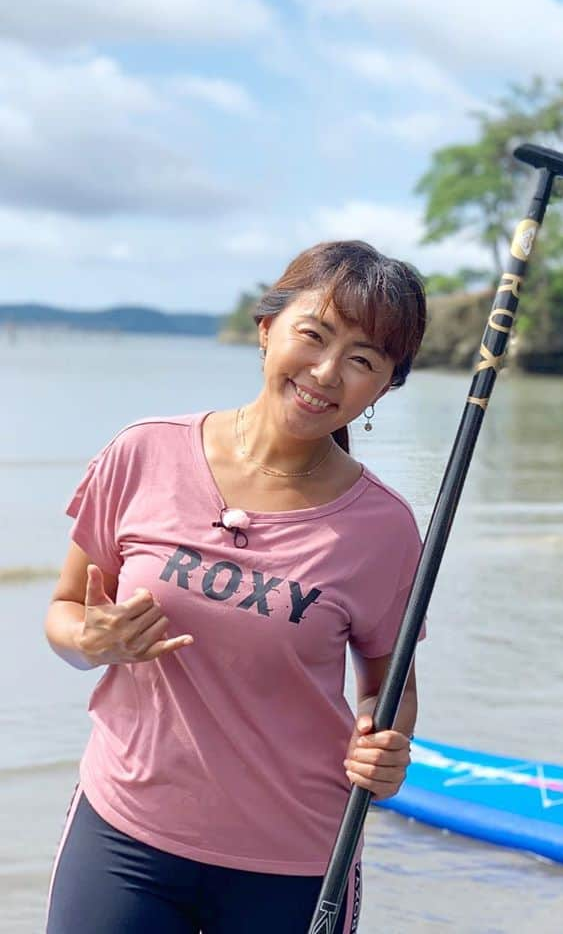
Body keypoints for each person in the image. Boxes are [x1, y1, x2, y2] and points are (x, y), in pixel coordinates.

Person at [44, 240, 427, 934]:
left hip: (296, 857)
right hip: (125, 831)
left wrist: (388, 742)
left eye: (363, 360)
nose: (326, 372)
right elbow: (65, 616)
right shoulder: (143, 452)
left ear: (383, 388)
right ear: (266, 329)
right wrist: (91, 638)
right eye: (313, 335)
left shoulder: (385, 528)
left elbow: (388, 681)